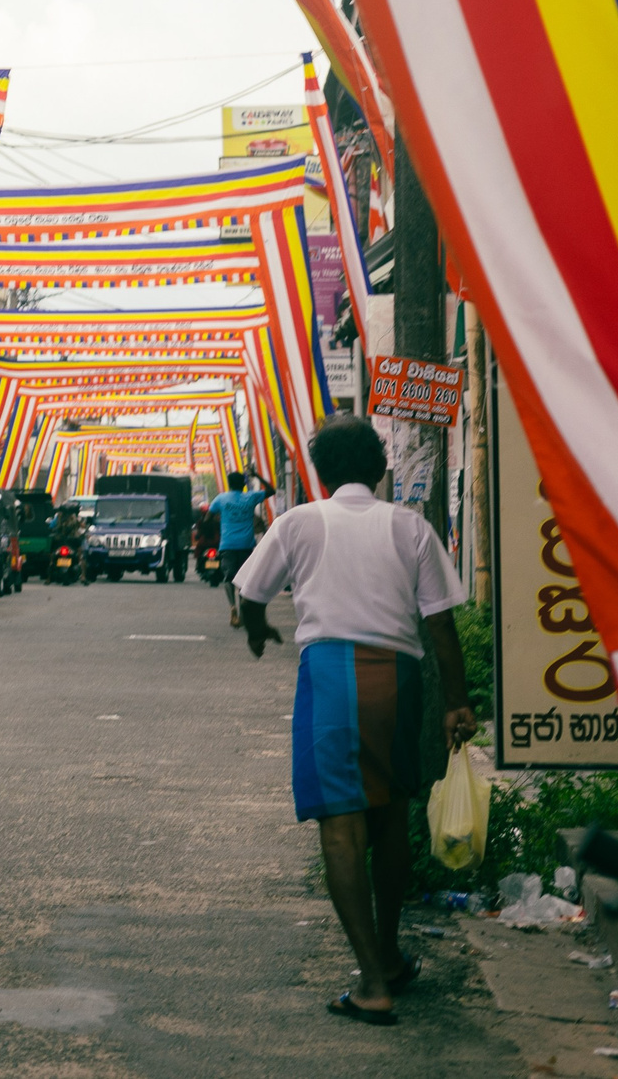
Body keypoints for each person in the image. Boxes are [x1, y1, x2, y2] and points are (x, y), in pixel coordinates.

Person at [234, 416, 472, 1028]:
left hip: (333, 675)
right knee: (391, 815)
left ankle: (372, 983)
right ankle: (389, 956)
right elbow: (441, 623)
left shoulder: (299, 522)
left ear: (320, 472)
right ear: (379, 469)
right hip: (401, 676)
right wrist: (456, 703)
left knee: (341, 827)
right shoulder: (410, 526)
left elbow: (250, 594)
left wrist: (260, 634)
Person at [209, 470, 271, 626]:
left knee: (228, 578)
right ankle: (243, 610)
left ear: (229, 484)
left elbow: (208, 517)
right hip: (247, 545)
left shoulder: (221, 499)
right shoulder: (250, 497)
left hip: (227, 545)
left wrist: (220, 522)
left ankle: (232, 607)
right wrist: (257, 475)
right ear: (243, 484)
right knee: (245, 580)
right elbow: (271, 490)